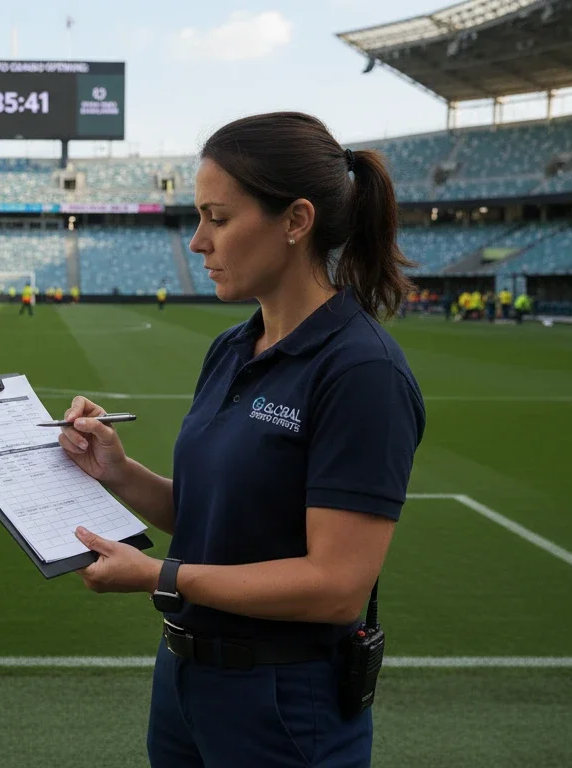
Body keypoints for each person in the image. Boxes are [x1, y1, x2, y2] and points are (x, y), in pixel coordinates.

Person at [59, 113, 424, 767]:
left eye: (218, 218)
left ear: (296, 221)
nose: (198, 241)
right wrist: (117, 471)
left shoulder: (361, 370)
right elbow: (212, 517)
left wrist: (161, 576)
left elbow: (337, 585)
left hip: (284, 702)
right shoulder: (232, 347)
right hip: (184, 683)